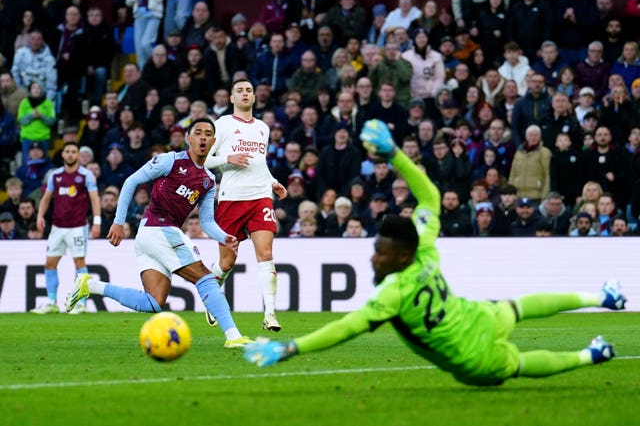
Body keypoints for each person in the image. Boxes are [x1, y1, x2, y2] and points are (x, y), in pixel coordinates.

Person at [244, 118, 626, 385]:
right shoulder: (424, 245)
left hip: (472, 357)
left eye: (381, 253)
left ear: (401, 256)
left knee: (519, 362)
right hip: (477, 316)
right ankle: (603, 299)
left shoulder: (393, 293)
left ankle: (590, 355)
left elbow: (346, 328)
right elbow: (428, 194)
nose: (374, 257)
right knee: (519, 307)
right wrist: (394, 154)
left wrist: (291, 348)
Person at [65, 118, 252, 349]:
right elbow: (131, 181)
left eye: (208, 134)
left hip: (152, 236)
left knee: (153, 302)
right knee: (205, 277)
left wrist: (225, 237)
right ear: (189, 138)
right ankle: (233, 336)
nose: (203, 137)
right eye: (198, 133)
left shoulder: (208, 180)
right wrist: (118, 222)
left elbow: (207, 222)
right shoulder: (170, 160)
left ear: (213, 141)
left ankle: (91, 286)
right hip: (158, 229)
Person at [204, 78, 288, 332]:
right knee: (227, 262)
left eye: (248, 91)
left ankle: (270, 314)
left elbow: (259, 163)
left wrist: (272, 182)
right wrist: (228, 157)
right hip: (231, 199)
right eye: (239, 91)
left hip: (260, 197)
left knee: (266, 255)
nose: (244, 94)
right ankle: (211, 292)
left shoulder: (263, 128)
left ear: (254, 98)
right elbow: (204, 159)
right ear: (231, 98)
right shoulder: (222, 125)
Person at [30, 142, 101, 314]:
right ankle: (52, 302)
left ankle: (81, 303)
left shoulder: (86, 175)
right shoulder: (55, 175)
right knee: (49, 263)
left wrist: (97, 222)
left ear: (78, 155)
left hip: (78, 227)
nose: (70, 155)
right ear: (62, 154)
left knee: (79, 262)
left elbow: (94, 199)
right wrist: (39, 216)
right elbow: (46, 198)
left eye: (73, 152)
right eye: (67, 151)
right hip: (57, 227)